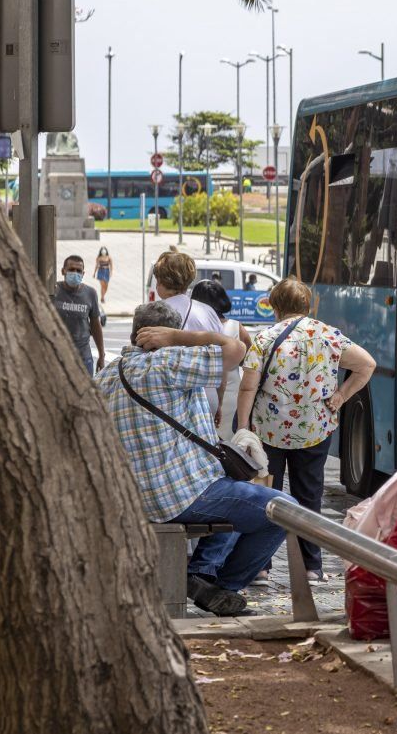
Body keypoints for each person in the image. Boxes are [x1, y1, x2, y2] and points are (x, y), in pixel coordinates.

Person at [94, 301, 287, 616]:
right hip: (178, 496)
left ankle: (202, 574)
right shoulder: (167, 361)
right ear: (165, 334)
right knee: (282, 511)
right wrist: (179, 338)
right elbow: (235, 349)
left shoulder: (105, 377)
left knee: (235, 493)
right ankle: (220, 588)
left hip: (131, 498)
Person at [238, 277, 377, 582]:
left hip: (268, 430)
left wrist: (243, 425)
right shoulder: (328, 335)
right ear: (308, 305)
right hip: (314, 428)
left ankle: (260, 564)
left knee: (265, 494)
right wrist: (340, 396)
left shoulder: (264, 338)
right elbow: (367, 365)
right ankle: (311, 565)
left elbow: (248, 385)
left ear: (275, 306)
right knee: (309, 496)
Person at [153, 252, 225, 415]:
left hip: (170, 400)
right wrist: (218, 401)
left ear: (160, 281)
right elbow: (221, 363)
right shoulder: (208, 312)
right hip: (207, 397)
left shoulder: (152, 313)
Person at [191, 279, 254, 433]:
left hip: (199, 395)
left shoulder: (193, 328)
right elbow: (249, 361)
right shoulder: (235, 326)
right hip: (232, 395)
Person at [52, 255, 104, 376]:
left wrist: (102, 355)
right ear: (63, 271)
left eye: (78, 271)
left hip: (83, 358)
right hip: (57, 357)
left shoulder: (90, 293)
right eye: (71, 269)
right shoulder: (53, 291)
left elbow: (96, 325)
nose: (75, 273)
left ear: (83, 273)